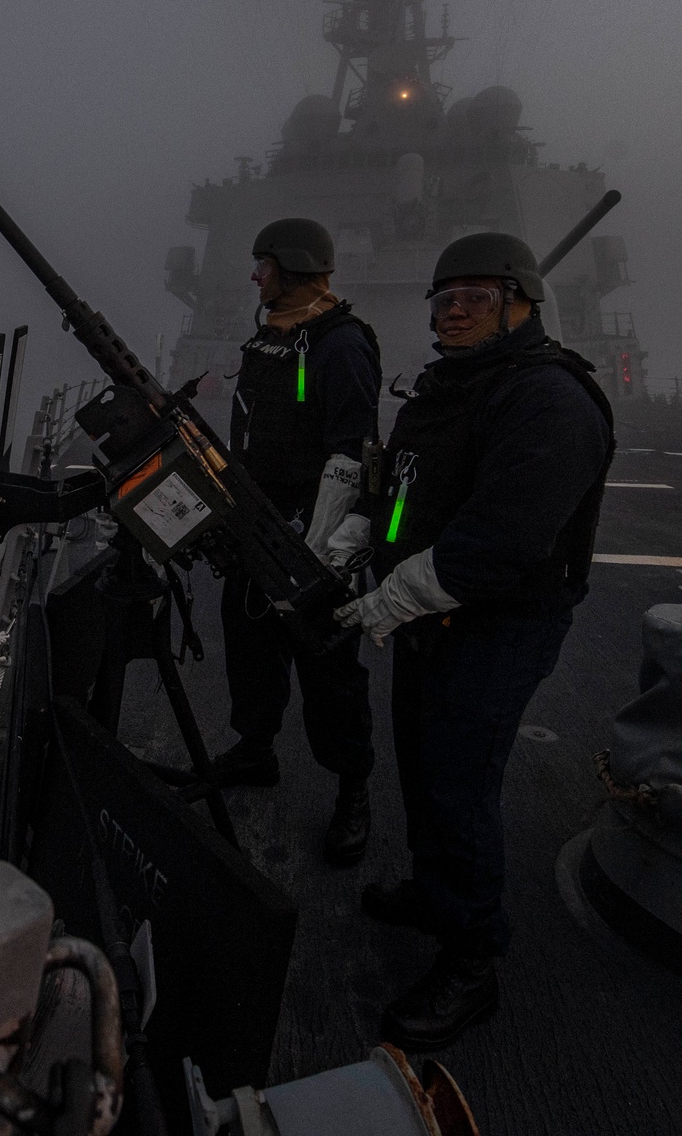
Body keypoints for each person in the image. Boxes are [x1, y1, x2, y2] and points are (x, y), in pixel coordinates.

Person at [335, 232, 614, 1047]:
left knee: (458, 784)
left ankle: (471, 959)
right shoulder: (447, 386)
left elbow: (505, 539)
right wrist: (358, 536)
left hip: (497, 626)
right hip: (430, 615)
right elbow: (402, 488)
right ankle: (433, 887)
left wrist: (389, 599)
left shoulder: (549, 398)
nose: (454, 308)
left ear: (522, 305)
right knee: (421, 766)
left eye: (478, 296)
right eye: (444, 297)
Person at [215, 217, 382, 866]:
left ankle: (353, 791)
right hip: (254, 527)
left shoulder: (339, 346)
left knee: (330, 677)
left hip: (312, 544)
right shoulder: (270, 340)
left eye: (263, 263)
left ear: (291, 265)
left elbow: (357, 452)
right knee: (250, 651)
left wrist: (329, 548)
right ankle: (255, 751)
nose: (255, 275)